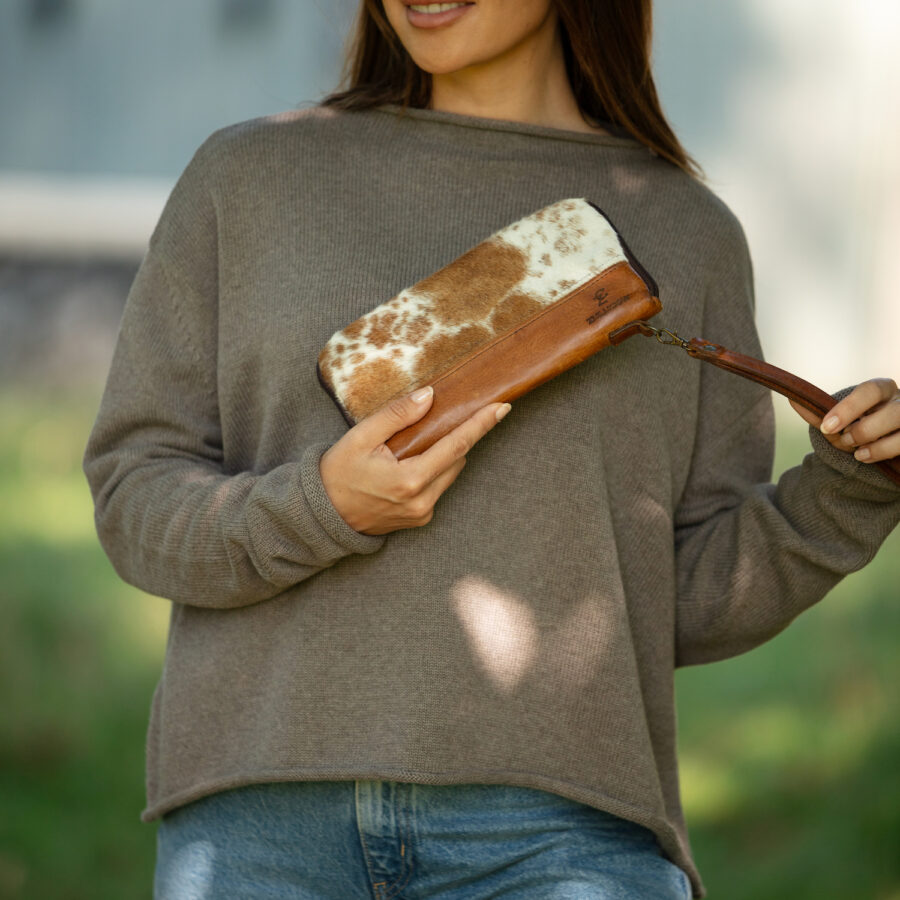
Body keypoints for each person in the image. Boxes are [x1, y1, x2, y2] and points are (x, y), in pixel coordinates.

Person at [83, 1, 900, 897]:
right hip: (261, 829)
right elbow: (135, 497)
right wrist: (321, 508)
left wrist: (846, 493)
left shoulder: (686, 230)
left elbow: (676, 598)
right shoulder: (249, 178)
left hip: (562, 837)